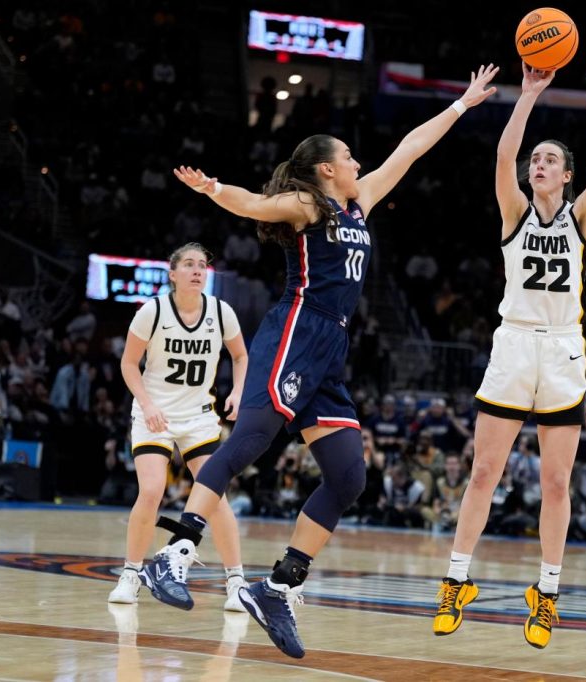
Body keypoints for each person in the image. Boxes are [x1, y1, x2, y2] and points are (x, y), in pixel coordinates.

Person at [139, 64, 499, 659]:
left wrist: (461, 104)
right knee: (251, 439)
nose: (360, 163)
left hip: (332, 345)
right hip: (295, 331)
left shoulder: (360, 203)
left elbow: (410, 148)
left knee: (349, 476)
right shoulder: (308, 205)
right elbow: (254, 203)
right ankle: (174, 554)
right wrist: (212, 190)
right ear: (327, 168)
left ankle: (277, 586)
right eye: (350, 157)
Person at [433, 51, 586, 649]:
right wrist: (530, 95)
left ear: (567, 176)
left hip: (563, 352)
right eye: (535, 159)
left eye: (550, 160)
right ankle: (456, 582)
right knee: (484, 471)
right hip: (513, 345)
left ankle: (547, 593)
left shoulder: (582, 218)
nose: (537, 164)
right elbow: (501, 155)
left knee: (558, 483)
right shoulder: (513, 211)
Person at [109, 243, 249, 613]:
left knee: (215, 497)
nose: (197, 270)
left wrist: (237, 389)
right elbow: (128, 364)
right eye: (188, 264)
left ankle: (236, 582)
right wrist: (148, 403)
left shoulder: (222, 313)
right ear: (173, 274)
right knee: (152, 490)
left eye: (202, 265)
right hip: (155, 413)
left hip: (199, 416)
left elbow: (240, 355)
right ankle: (131, 574)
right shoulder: (151, 312)